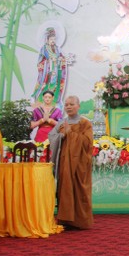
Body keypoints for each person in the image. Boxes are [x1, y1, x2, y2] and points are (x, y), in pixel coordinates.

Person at [49, 96, 94, 230]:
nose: (68, 107)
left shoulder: (85, 123)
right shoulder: (61, 123)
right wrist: (62, 135)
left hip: (80, 163)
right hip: (65, 162)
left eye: (71, 104)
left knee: (80, 189)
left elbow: (88, 143)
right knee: (65, 188)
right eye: (66, 104)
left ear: (78, 106)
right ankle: (65, 220)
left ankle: (80, 221)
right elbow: (51, 136)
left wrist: (71, 133)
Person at [31, 26, 70, 106]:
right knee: (45, 84)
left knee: (55, 85)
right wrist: (49, 61)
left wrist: (61, 59)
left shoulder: (57, 49)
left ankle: (54, 100)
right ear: (47, 40)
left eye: (54, 39)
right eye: (51, 39)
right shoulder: (44, 48)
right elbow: (41, 60)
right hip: (47, 71)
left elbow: (61, 57)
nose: (53, 41)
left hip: (56, 70)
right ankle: (40, 100)